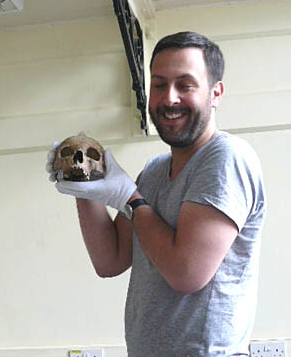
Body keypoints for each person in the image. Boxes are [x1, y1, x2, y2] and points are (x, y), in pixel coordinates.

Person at [47, 31, 266, 357]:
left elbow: (186, 273)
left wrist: (131, 199)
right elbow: (110, 259)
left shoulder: (226, 157)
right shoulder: (153, 171)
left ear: (215, 93)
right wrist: (86, 189)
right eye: (159, 84)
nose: (169, 98)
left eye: (186, 85)